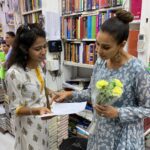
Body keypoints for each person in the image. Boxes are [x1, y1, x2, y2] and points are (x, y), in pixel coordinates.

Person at [53, 9, 150, 150]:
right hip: (100, 134)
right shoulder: (100, 62)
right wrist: (69, 95)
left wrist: (118, 113)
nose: (98, 50)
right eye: (97, 44)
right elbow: (92, 93)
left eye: (106, 47)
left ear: (122, 44)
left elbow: (147, 108)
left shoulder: (137, 69)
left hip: (124, 138)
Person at [5, 23, 53, 150]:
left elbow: (37, 86)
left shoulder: (39, 65)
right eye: (38, 49)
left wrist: (52, 93)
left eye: (45, 46)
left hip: (42, 122)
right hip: (28, 127)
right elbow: (15, 108)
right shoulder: (14, 74)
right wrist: (37, 110)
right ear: (25, 49)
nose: (43, 52)